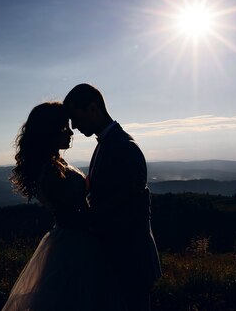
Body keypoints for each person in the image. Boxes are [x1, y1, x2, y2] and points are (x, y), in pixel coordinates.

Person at [2, 102, 123, 311]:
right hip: (75, 246)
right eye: (64, 127)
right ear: (49, 131)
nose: (70, 132)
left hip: (71, 241)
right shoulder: (50, 172)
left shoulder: (52, 165)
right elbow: (72, 216)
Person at [63, 83, 162, 311]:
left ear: (92, 109)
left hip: (131, 261)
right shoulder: (107, 145)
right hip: (120, 260)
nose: (74, 126)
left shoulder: (124, 148)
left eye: (75, 117)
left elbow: (127, 208)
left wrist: (81, 220)